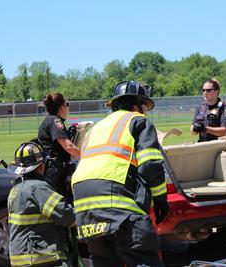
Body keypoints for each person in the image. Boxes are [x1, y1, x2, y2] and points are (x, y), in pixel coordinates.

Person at [71, 80, 168, 267]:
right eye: (144, 108)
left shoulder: (94, 129)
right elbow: (150, 167)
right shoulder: (137, 121)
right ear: (135, 106)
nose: (145, 112)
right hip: (118, 206)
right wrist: (161, 200)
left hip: (85, 210)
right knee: (143, 259)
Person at [7, 141, 75, 267]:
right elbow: (65, 215)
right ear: (41, 166)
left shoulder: (15, 189)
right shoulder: (39, 188)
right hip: (41, 255)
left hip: (20, 257)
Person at [38, 92, 80, 198]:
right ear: (61, 107)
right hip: (54, 172)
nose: (67, 108)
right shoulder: (55, 120)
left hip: (52, 170)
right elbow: (68, 146)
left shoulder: (50, 120)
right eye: (67, 104)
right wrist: (87, 156)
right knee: (61, 203)